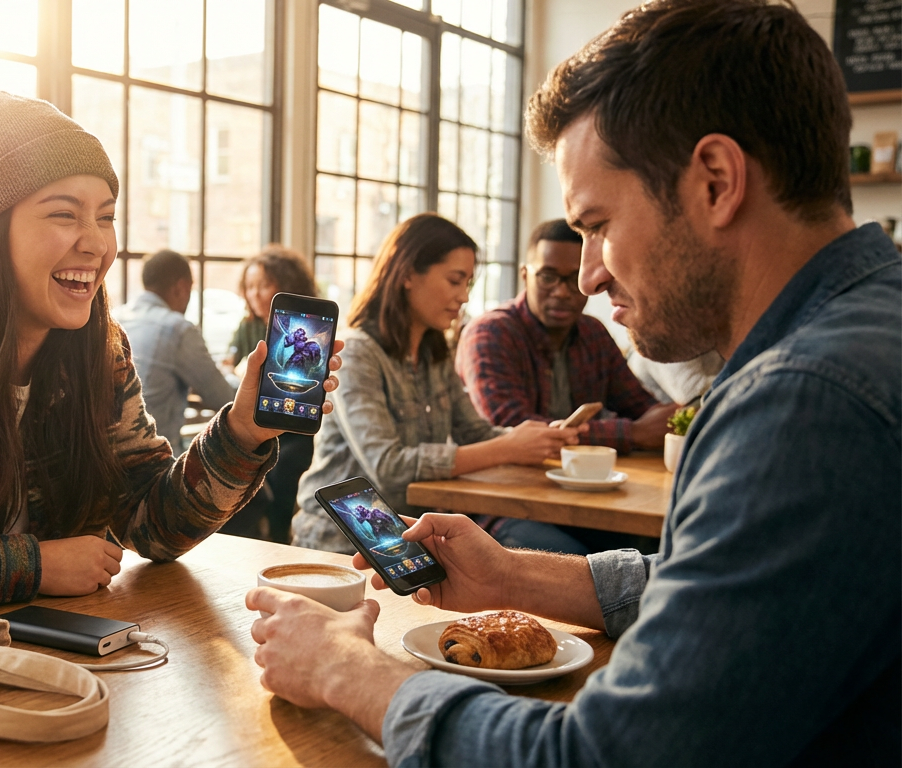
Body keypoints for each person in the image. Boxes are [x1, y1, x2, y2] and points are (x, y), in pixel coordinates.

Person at [248, 2, 900, 765]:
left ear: (716, 182)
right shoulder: (864, 332)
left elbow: (601, 757)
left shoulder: (805, 401)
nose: (588, 276)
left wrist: (343, 669)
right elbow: (724, 587)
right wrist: (516, 573)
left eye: (597, 224)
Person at [0, 92, 343, 610]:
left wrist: (242, 433)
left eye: (106, 217)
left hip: (69, 665)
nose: (96, 243)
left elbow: (152, 524)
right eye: (64, 214)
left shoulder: (100, 351)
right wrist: (34, 564)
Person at [290, 213, 587, 555]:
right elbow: (389, 467)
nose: (463, 297)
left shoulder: (435, 351)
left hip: (410, 536)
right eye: (454, 280)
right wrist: (509, 448)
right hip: (340, 542)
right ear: (407, 275)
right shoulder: (357, 353)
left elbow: (475, 434)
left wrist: (533, 439)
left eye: (468, 284)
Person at [456, 218, 678, 453]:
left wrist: (672, 419)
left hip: (579, 478)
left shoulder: (593, 333)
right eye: (547, 277)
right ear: (525, 275)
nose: (561, 292)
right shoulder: (490, 333)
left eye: (574, 279)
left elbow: (640, 407)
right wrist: (633, 434)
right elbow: (511, 428)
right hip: (500, 482)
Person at [220, 245, 321, 544]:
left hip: (297, 428)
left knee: (284, 470)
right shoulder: (248, 327)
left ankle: (278, 541)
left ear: (287, 285)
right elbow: (229, 364)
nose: (255, 294)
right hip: (256, 417)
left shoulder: (307, 327)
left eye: (264, 286)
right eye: (250, 287)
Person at [112, 249, 235, 452]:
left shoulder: (116, 318)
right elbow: (222, 397)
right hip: (153, 464)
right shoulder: (178, 330)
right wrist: (233, 377)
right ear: (181, 287)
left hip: (107, 461)